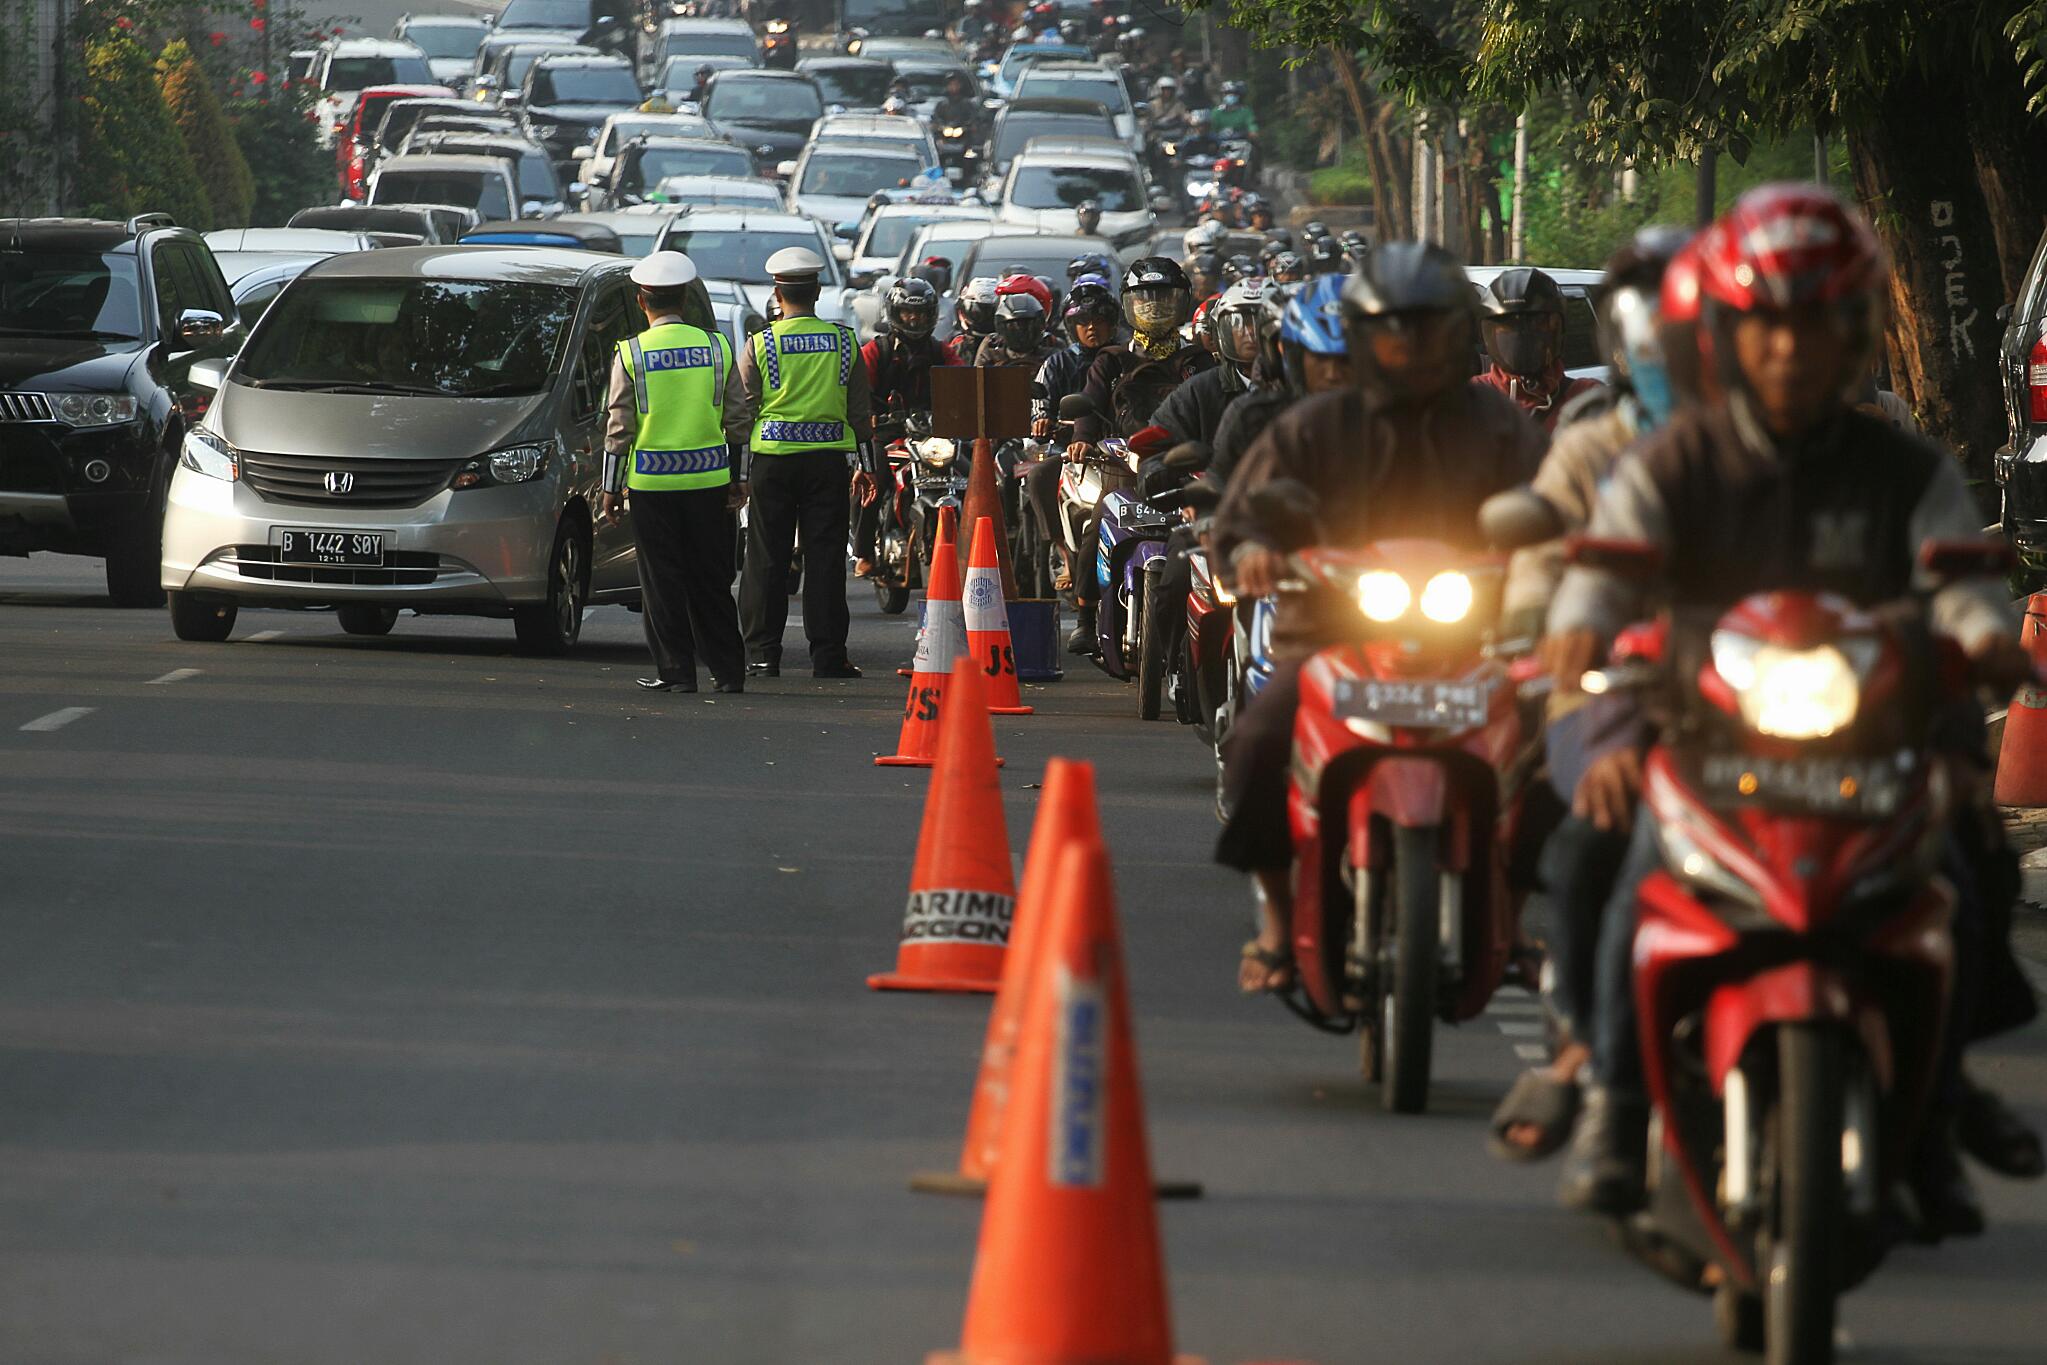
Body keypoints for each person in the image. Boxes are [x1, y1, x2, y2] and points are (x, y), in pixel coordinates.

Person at [1542, 184, 2038, 1234]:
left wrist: (1988, 637)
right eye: (1766, 324)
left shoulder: (1902, 466)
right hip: (1693, 735)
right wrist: (1582, 627)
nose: (1789, 352)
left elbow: (1957, 575)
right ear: (1724, 335)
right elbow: (1605, 569)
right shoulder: (1674, 461)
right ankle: (1612, 1103)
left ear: (1855, 334)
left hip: (1880, 738)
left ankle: (1943, 1108)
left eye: (1815, 324)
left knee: (1961, 867)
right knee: (1606, 858)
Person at [1211, 242, 1546, 994]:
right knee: (1258, 738)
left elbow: (1550, 507)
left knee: (1551, 746)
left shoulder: (1495, 422)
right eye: (1393, 332)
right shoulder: (1315, 426)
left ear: (1458, 334)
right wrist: (1256, 550)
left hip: (1475, 642)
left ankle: (1513, 919)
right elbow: (1239, 520)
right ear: (1363, 338)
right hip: (1328, 637)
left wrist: (1548, 555)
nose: (1411, 348)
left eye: (1427, 330)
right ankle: (1272, 921)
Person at [1484, 224, 1696, 1162]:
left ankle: (1935, 1100)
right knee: (1576, 852)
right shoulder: (1584, 446)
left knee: (1948, 858)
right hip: (1619, 701)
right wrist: (1545, 638)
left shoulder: (1810, 444)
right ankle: (1596, 1061)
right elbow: (1544, 576)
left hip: (1781, 717)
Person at [598, 251, 752, 694]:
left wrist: (610, 489)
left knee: (661, 581)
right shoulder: (717, 346)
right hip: (709, 482)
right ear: (684, 298)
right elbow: (737, 420)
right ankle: (728, 672)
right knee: (711, 579)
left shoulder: (630, 353)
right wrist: (739, 478)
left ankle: (677, 672)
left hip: (651, 485)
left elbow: (619, 426)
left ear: (641, 300)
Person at [736, 246, 874, 680]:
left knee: (765, 558)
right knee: (826, 558)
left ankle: (762, 655)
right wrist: (867, 466)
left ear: (778, 294)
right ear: (816, 291)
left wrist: (738, 474)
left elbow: (742, 412)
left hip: (772, 464)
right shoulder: (845, 342)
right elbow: (860, 413)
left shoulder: (760, 344)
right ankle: (829, 656)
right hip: (827, 463)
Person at [1068, 256, 1214, 650]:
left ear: (1181, 303)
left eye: (1164, 299)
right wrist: (1082, 438)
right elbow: (1089, 402)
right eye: (1144, 298)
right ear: (1129, 305)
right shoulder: (1112, 359)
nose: (1154, 306)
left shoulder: (1197, 361)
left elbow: (1214, 409)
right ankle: (1084, 615)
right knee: (1097, 521)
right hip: (1122, 464)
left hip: (1183, 467)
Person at [855, 278, 954, 578]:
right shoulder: (876, 351)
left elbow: (965, 383)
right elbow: (855, 391)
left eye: (922, 314)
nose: (915, 319)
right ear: (894, 314)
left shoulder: (942, 351)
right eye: (909, 313)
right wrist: (869, 415)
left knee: (966, 468)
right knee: (875, 478)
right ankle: (863, 552)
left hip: (931, 435)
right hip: (885, 434)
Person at [1027, 279, 1121, 590]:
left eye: (1099, 321)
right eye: (1083, 322)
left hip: (1119, 454)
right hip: (1069, 452)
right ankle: (1061, 549)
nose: (1091, 328)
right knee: (1039, 476)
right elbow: (1040, 401)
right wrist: (1043, 420)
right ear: (1071, 325)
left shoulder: (1125, 359)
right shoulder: (1057, 362)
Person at [1473, 267, 1605, 430]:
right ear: (1489, 334)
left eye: (1536, 325)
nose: (1521, 335)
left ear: (1557, 329)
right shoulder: (1468, 400)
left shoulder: (1588, 399)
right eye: (1508, 326)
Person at [946, 276, 998, 364]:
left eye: (987, 312)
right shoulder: (955, 343)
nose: (983, 318)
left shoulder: (1004, 346)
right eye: (977, 312)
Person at [932, 71, 983, 141]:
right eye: (950, 84)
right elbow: (936, 120)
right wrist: (942, 127)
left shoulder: (968, 104)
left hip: (965, 138)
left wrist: (964, 128)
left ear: (960, 85)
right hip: (944, 138)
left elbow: (974, 120)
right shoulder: (942, 105)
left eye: (955, 84)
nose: (953, 87)